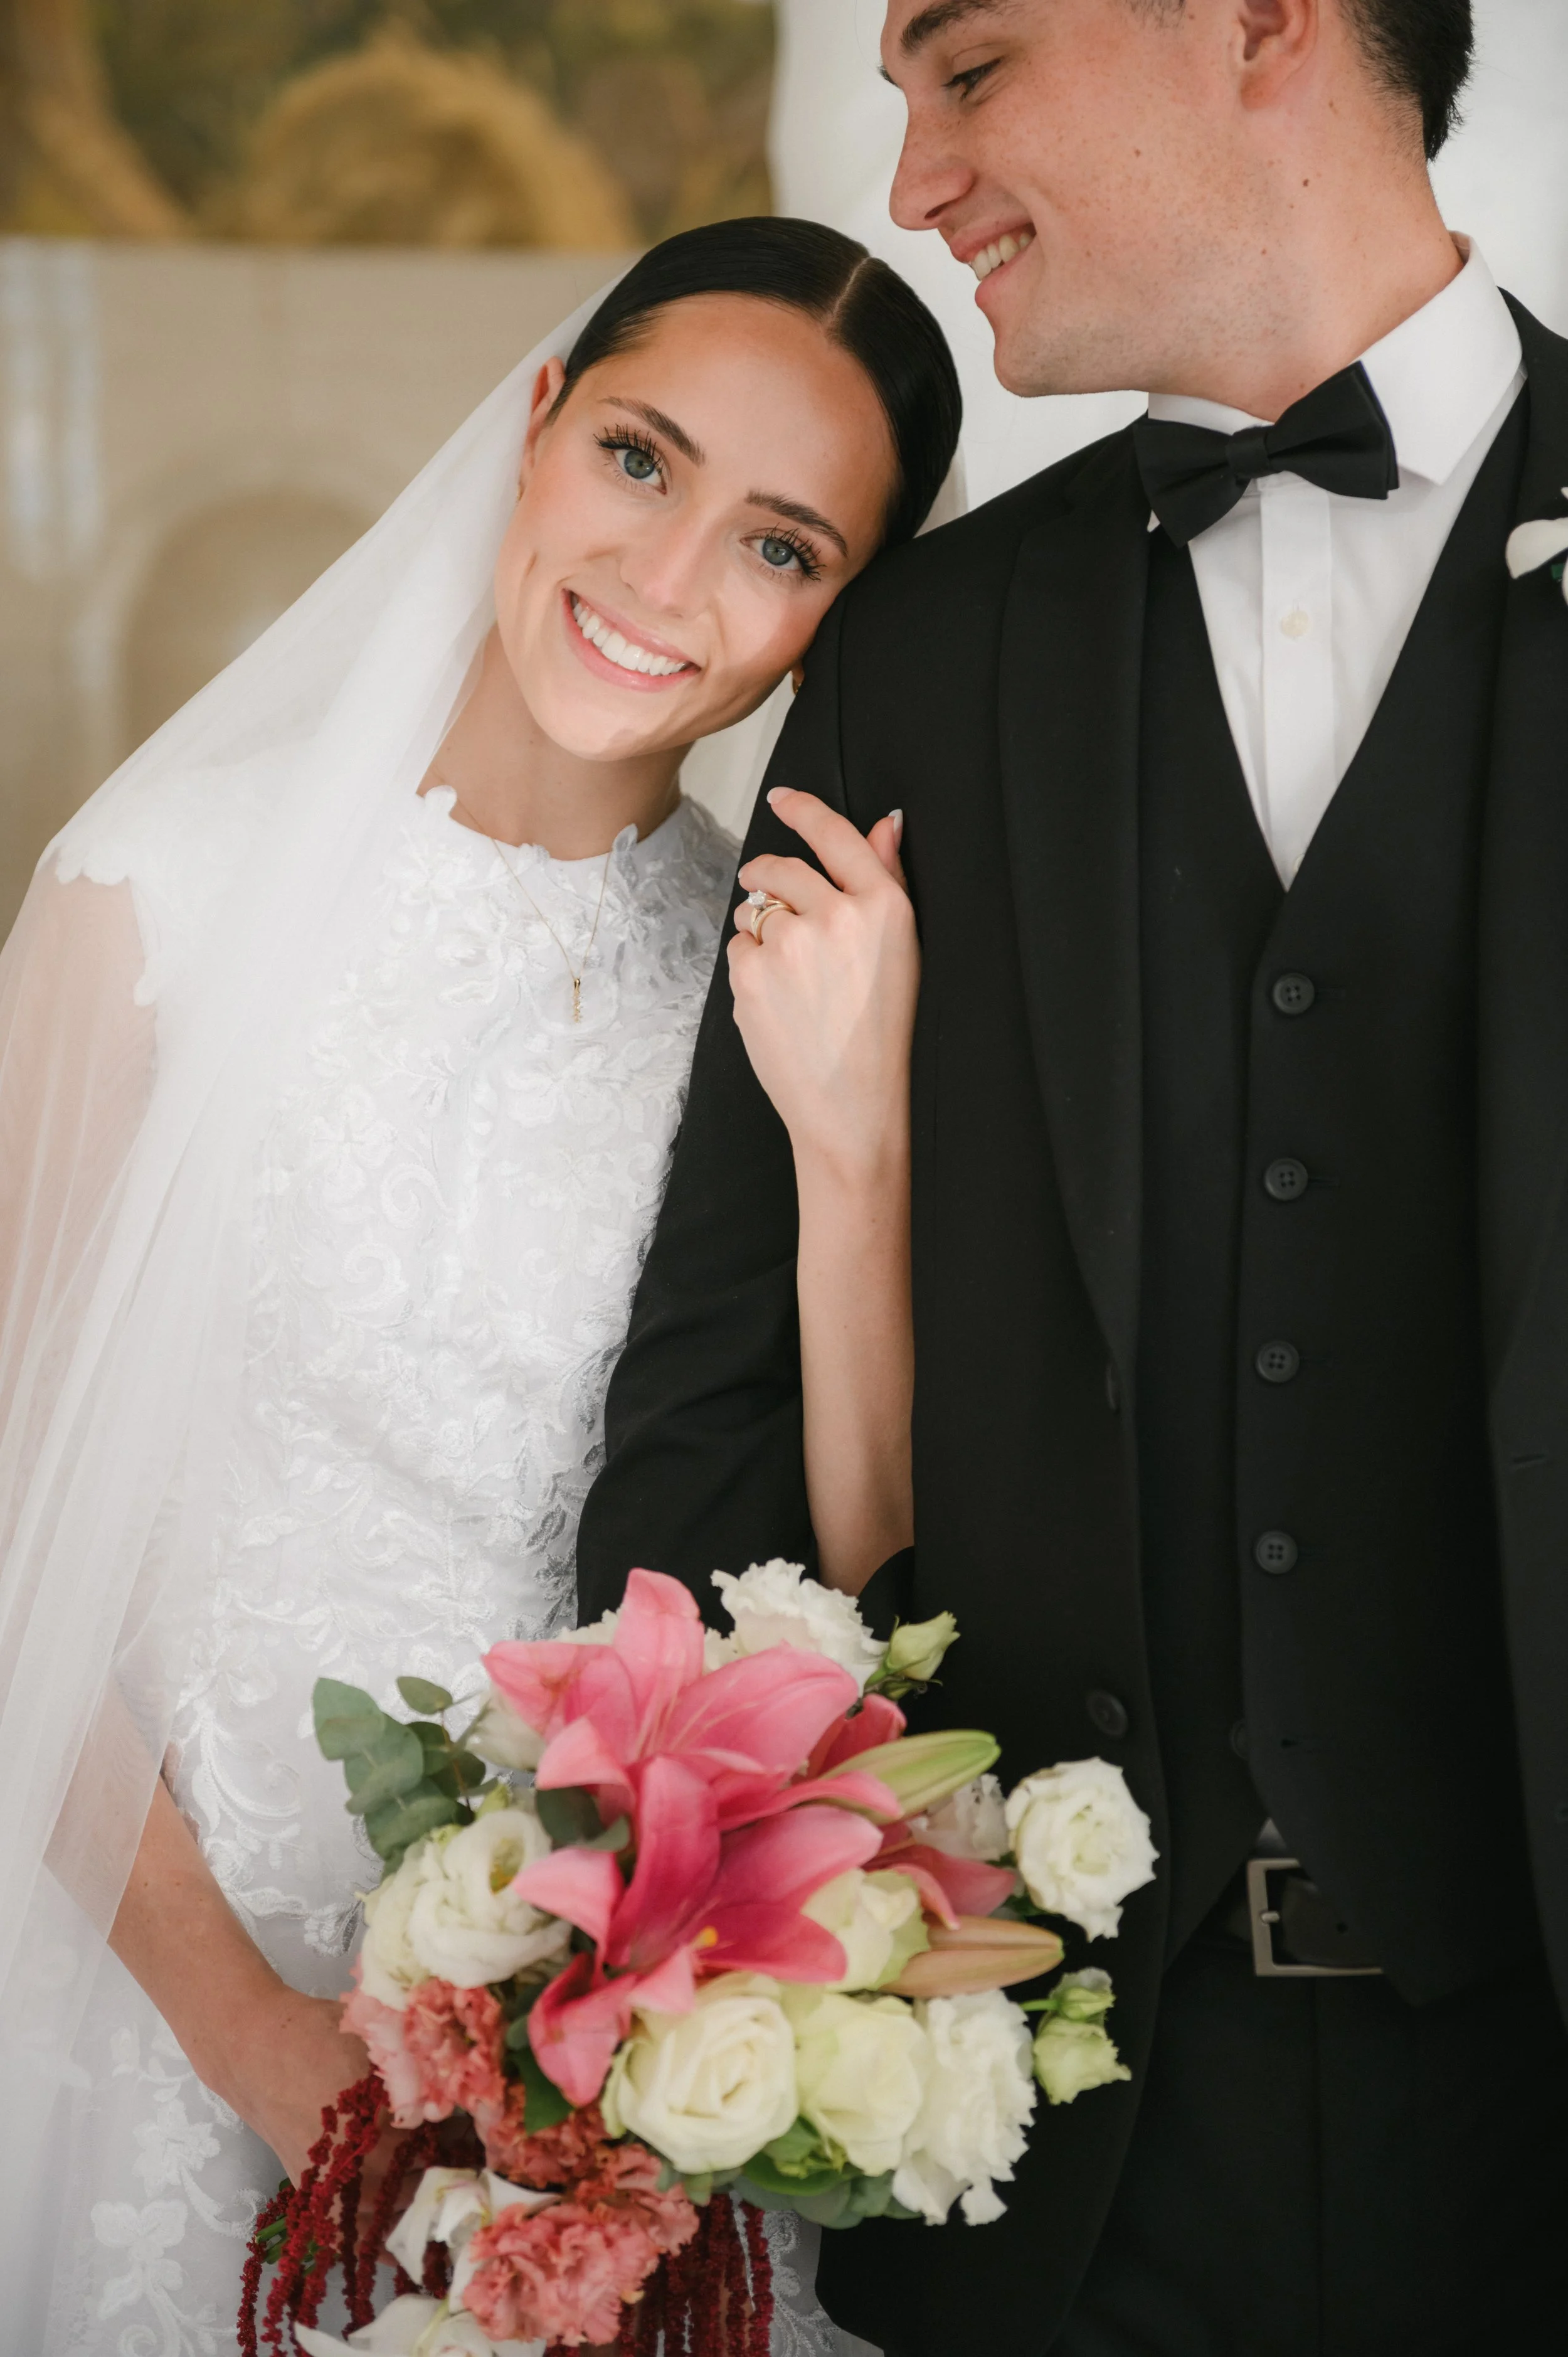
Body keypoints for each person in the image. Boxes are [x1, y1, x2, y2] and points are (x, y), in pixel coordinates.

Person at [576, 3, 1568, 2351]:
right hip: (1059, 2161)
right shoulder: (923, 647)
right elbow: (709, 1397)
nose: (914, 183)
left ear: (1253, 24)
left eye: (973, 70)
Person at [0, 217, 960, 2349]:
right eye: (639, 460)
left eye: (778, 545)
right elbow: (11, 1542)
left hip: (621, 2087)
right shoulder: (150, 897)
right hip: (175, 2023)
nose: (667, 578)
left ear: (835, 616)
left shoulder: (774, 994)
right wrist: (250, 2034)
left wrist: (859, 1140)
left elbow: (864, 1570)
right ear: (534, 424)